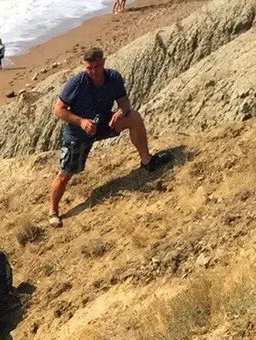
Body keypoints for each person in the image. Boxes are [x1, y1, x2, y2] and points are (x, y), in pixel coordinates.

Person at [47, 47, 169, 227]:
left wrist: (121, 111)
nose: (93, 71)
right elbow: (58, 109)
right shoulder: (76, 83)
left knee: (134, 117)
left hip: (104, 124)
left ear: (103, 63)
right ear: (84, 66)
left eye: (96, 66)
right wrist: (80, 122)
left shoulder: (113, 78)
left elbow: (124, 102)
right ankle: (53, 211)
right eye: (89, 67)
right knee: (65, 174)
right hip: (78, 133)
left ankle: (147, 161)